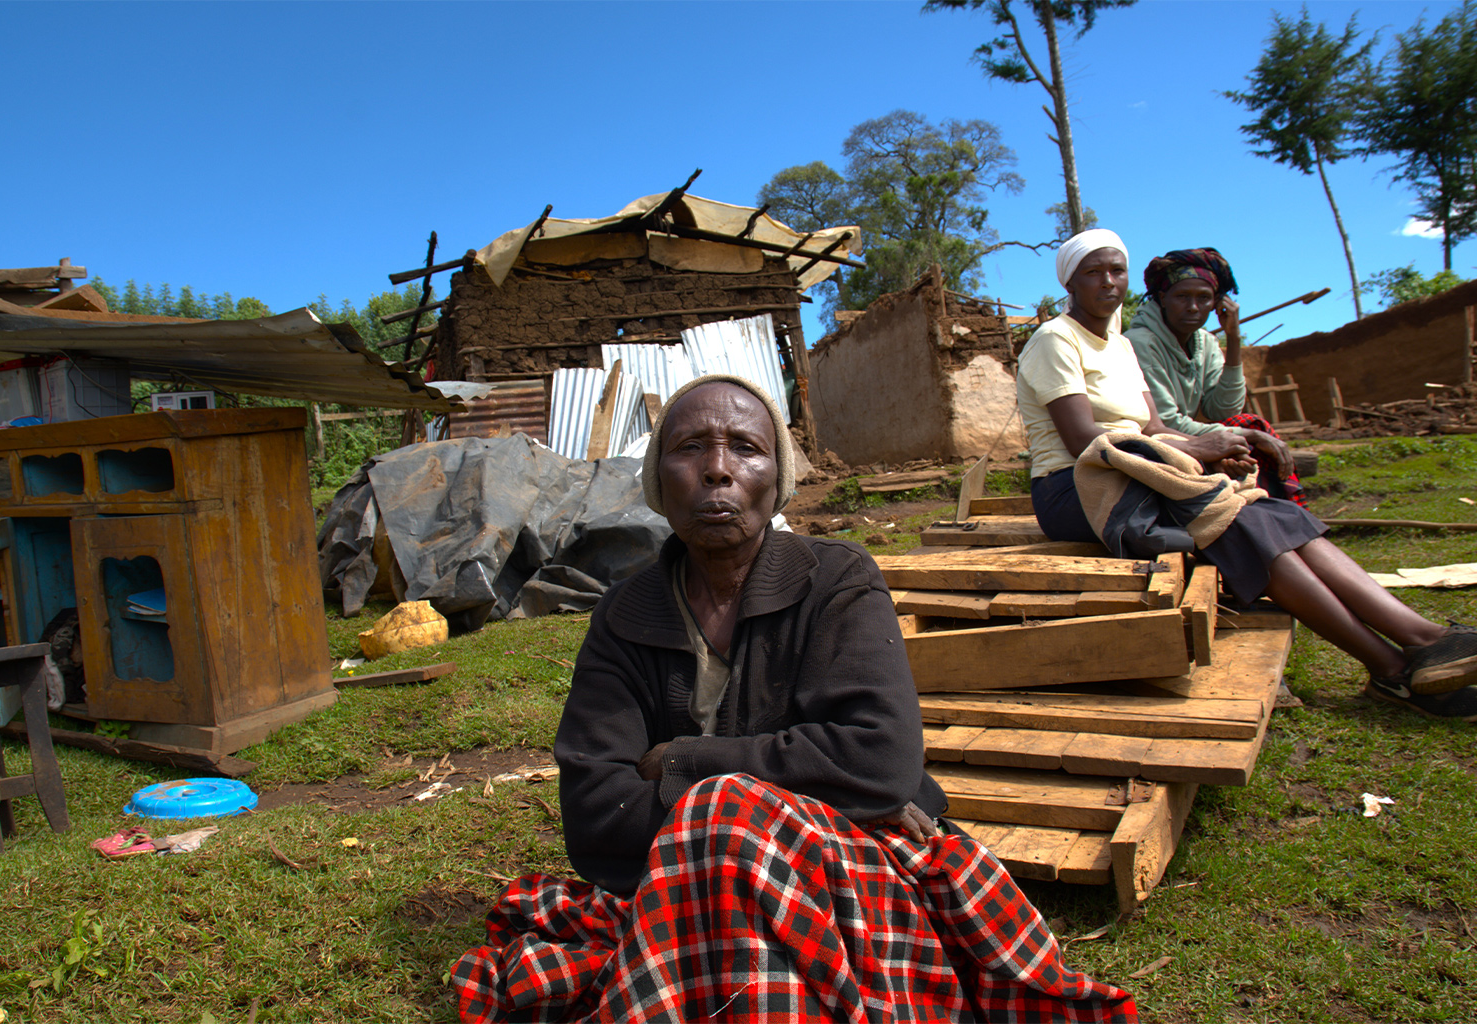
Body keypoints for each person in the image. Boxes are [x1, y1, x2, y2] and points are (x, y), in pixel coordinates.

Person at [448, 374, 1136, 1022]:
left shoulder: (836, 580)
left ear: (777, 480)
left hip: (840, 878)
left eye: (745, 448)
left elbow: (881, 758)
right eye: (690, 448)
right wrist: (781, 798)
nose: (718, 469)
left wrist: (689, 761)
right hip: (683, 889)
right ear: (660, 479)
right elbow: (596, 814)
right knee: (722, 823)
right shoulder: (627, 615)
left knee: (724, 808)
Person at [1017, 229, 1477, 719]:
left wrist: (1209, 454)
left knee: (1269, 512)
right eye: (1093, 272)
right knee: (1234, 520)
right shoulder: (1055, 339)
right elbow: (1083, 440)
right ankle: (1397, 663)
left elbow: (1151, 427)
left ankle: (1417, 648)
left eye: (1116, 270)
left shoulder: (1120, 346)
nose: (1108, 282)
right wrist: (1196, 446)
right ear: (1071, 281)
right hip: (1074, 489)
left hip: (1139, 473)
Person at [1124, 248, 1304, 503]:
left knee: (1246, 430)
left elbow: (1223, 410)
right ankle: (1275, 515)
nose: (1193, 307)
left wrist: (1232, 338)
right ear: (1163, 298)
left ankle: (1278, 515)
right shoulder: (1140, 342)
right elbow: (1166, 425)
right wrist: (1246, 437)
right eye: (1182, 296)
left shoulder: (1205, 343)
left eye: (1204, 298)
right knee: (1252, 432)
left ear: (1217, 302)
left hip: (1184, 440)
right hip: (1150, 445)